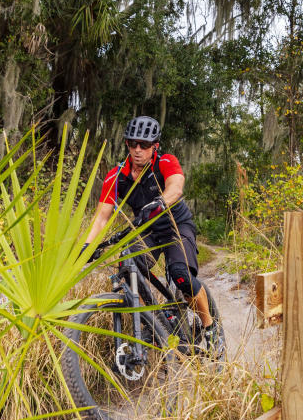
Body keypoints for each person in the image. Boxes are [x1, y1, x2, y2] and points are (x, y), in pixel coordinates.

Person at [83, 115, 224, 357]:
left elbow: (176, 187)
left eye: (144, 145)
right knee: (127, 266)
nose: (138, 150)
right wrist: (88, 244)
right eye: (133, 144)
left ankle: (211, 328)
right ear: (127, 144)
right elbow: (101, 217)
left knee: (181, 275)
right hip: (146, 228)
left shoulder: (165, 162)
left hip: (175, 225)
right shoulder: (116, 176)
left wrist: (159, 202)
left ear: (154, 146)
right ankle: (152, 322)